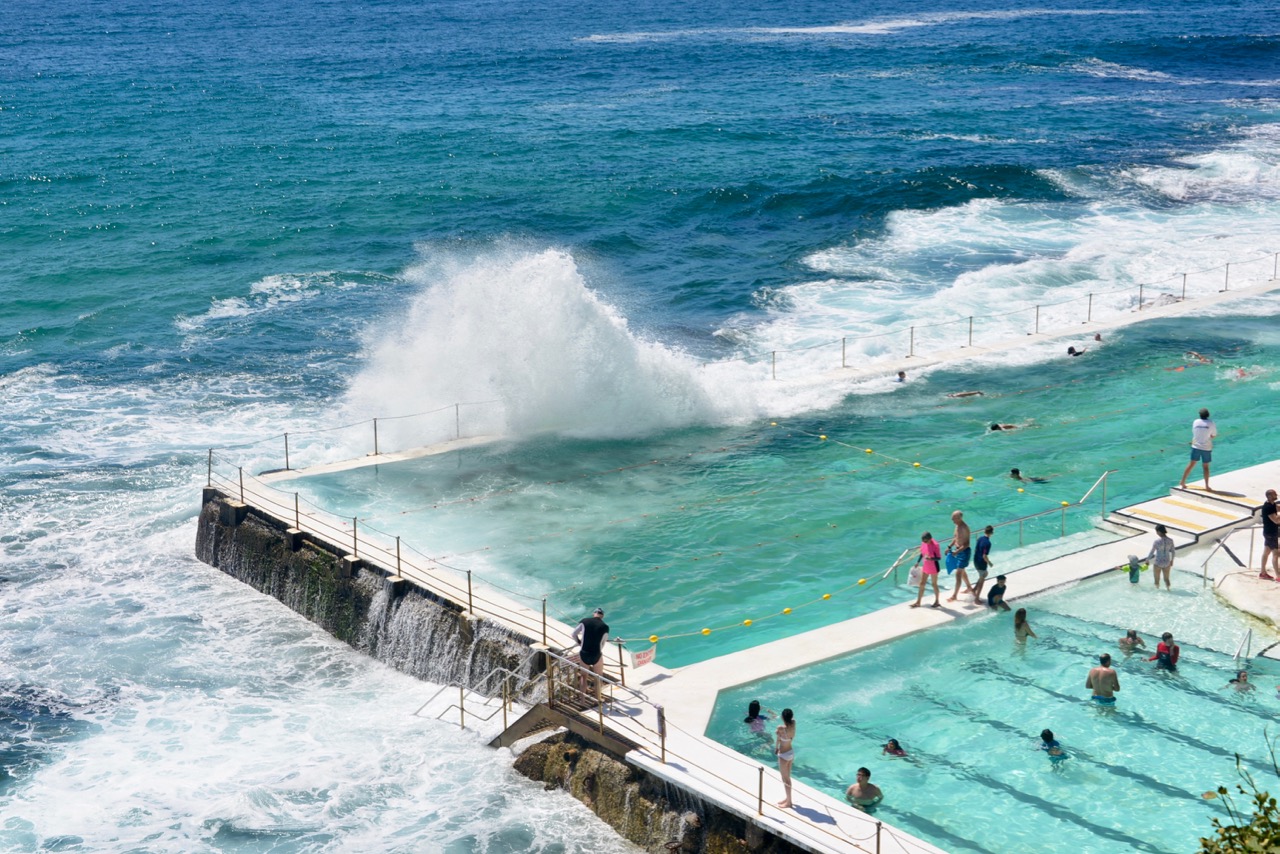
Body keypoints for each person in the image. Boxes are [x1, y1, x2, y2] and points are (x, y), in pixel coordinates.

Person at [571, 608, 610, 696]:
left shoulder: (584, 621)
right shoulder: (605, 627)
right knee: (598, 677)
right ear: (602, 616)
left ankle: (582, 700)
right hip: (596, 654)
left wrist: (579, 642)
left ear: (594, 614)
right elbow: (603, 643)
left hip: (584, 653)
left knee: (583, 676)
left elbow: (573, 634)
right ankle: (597, 699)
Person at [1179, 408, 1217, 491]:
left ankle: (1182, 481)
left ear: (1200, 415)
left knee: (1191, 464)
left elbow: (1194, 432)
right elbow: (1213, 435)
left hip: (1195, 446)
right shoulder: (1211, 423)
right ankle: (1207, 486)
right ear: (1208, 415)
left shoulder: (1195, 422)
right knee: (1205, 467)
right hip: (1206, 447)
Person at [946, 510, 975, 602]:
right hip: (958, 552)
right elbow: (955, 538)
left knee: (958, 574)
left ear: (959, 518)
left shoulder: (964, 528)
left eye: (953, 518)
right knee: (962, 572)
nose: (952, 520)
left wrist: (957, 551)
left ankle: (954, 596)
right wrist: (949, 547)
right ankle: (969, 587)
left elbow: (967, 544)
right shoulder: (957, 526)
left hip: (964, 552)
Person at [910, 531, 943, 609]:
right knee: (922, 583)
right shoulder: (924, 543)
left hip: (934, 566)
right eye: (923, 541)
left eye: (926, 541)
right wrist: (918, 562)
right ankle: (918, 602)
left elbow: (939, 558)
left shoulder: (935, 545)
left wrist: (931, 558)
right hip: (926, 565)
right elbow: (922, 553)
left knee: (934, 584)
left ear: (930, 539)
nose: (925, 542)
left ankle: (937, 601)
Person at [775, 708, 796, 808]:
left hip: (783, 755)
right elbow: (792, 720)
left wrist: (776, 748)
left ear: (783, 717)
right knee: (788, 778)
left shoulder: (781, 728)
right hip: (790, 752)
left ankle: (789, 802)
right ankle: (788, 798)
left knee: (785, 779)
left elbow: (778, 737)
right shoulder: (793, 724)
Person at [1144, 524, 1175, 589]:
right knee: (1166, 579)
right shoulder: (1170, 540)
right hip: (1167, 562)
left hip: (1158, 562)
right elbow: (1173, 552)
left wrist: (1147, 560)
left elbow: (1152, 552)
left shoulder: (1157, 541)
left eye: (1156, 531)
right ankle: (1168, 589)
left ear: (1159, 531)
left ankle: (1157, 591)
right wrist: (1172, 560)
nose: (1156, 533)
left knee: (1157, 580)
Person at [1260, 489, 1280, 580]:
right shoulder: (1267, 507)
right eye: (1274, 494)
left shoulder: (1272, 504)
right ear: (1269, 496)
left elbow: (1277, 507)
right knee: (1275, 553)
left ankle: (1263, 572)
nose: (1276, 495)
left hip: (1269, 532)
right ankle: (1278, 576)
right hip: (1271, 533)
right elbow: (1276, 520)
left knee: (1266, 552)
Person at [972, 525, 994, 604]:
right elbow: (984, 556)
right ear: (991, 533)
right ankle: (976, 599)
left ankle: (974, 590)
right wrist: (989, 563)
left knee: (984, 574)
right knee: (982, 580)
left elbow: (975, 550)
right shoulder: (988, 543)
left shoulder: (980, 539)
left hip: (975, 560)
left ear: (984, 531)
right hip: (981, 563)